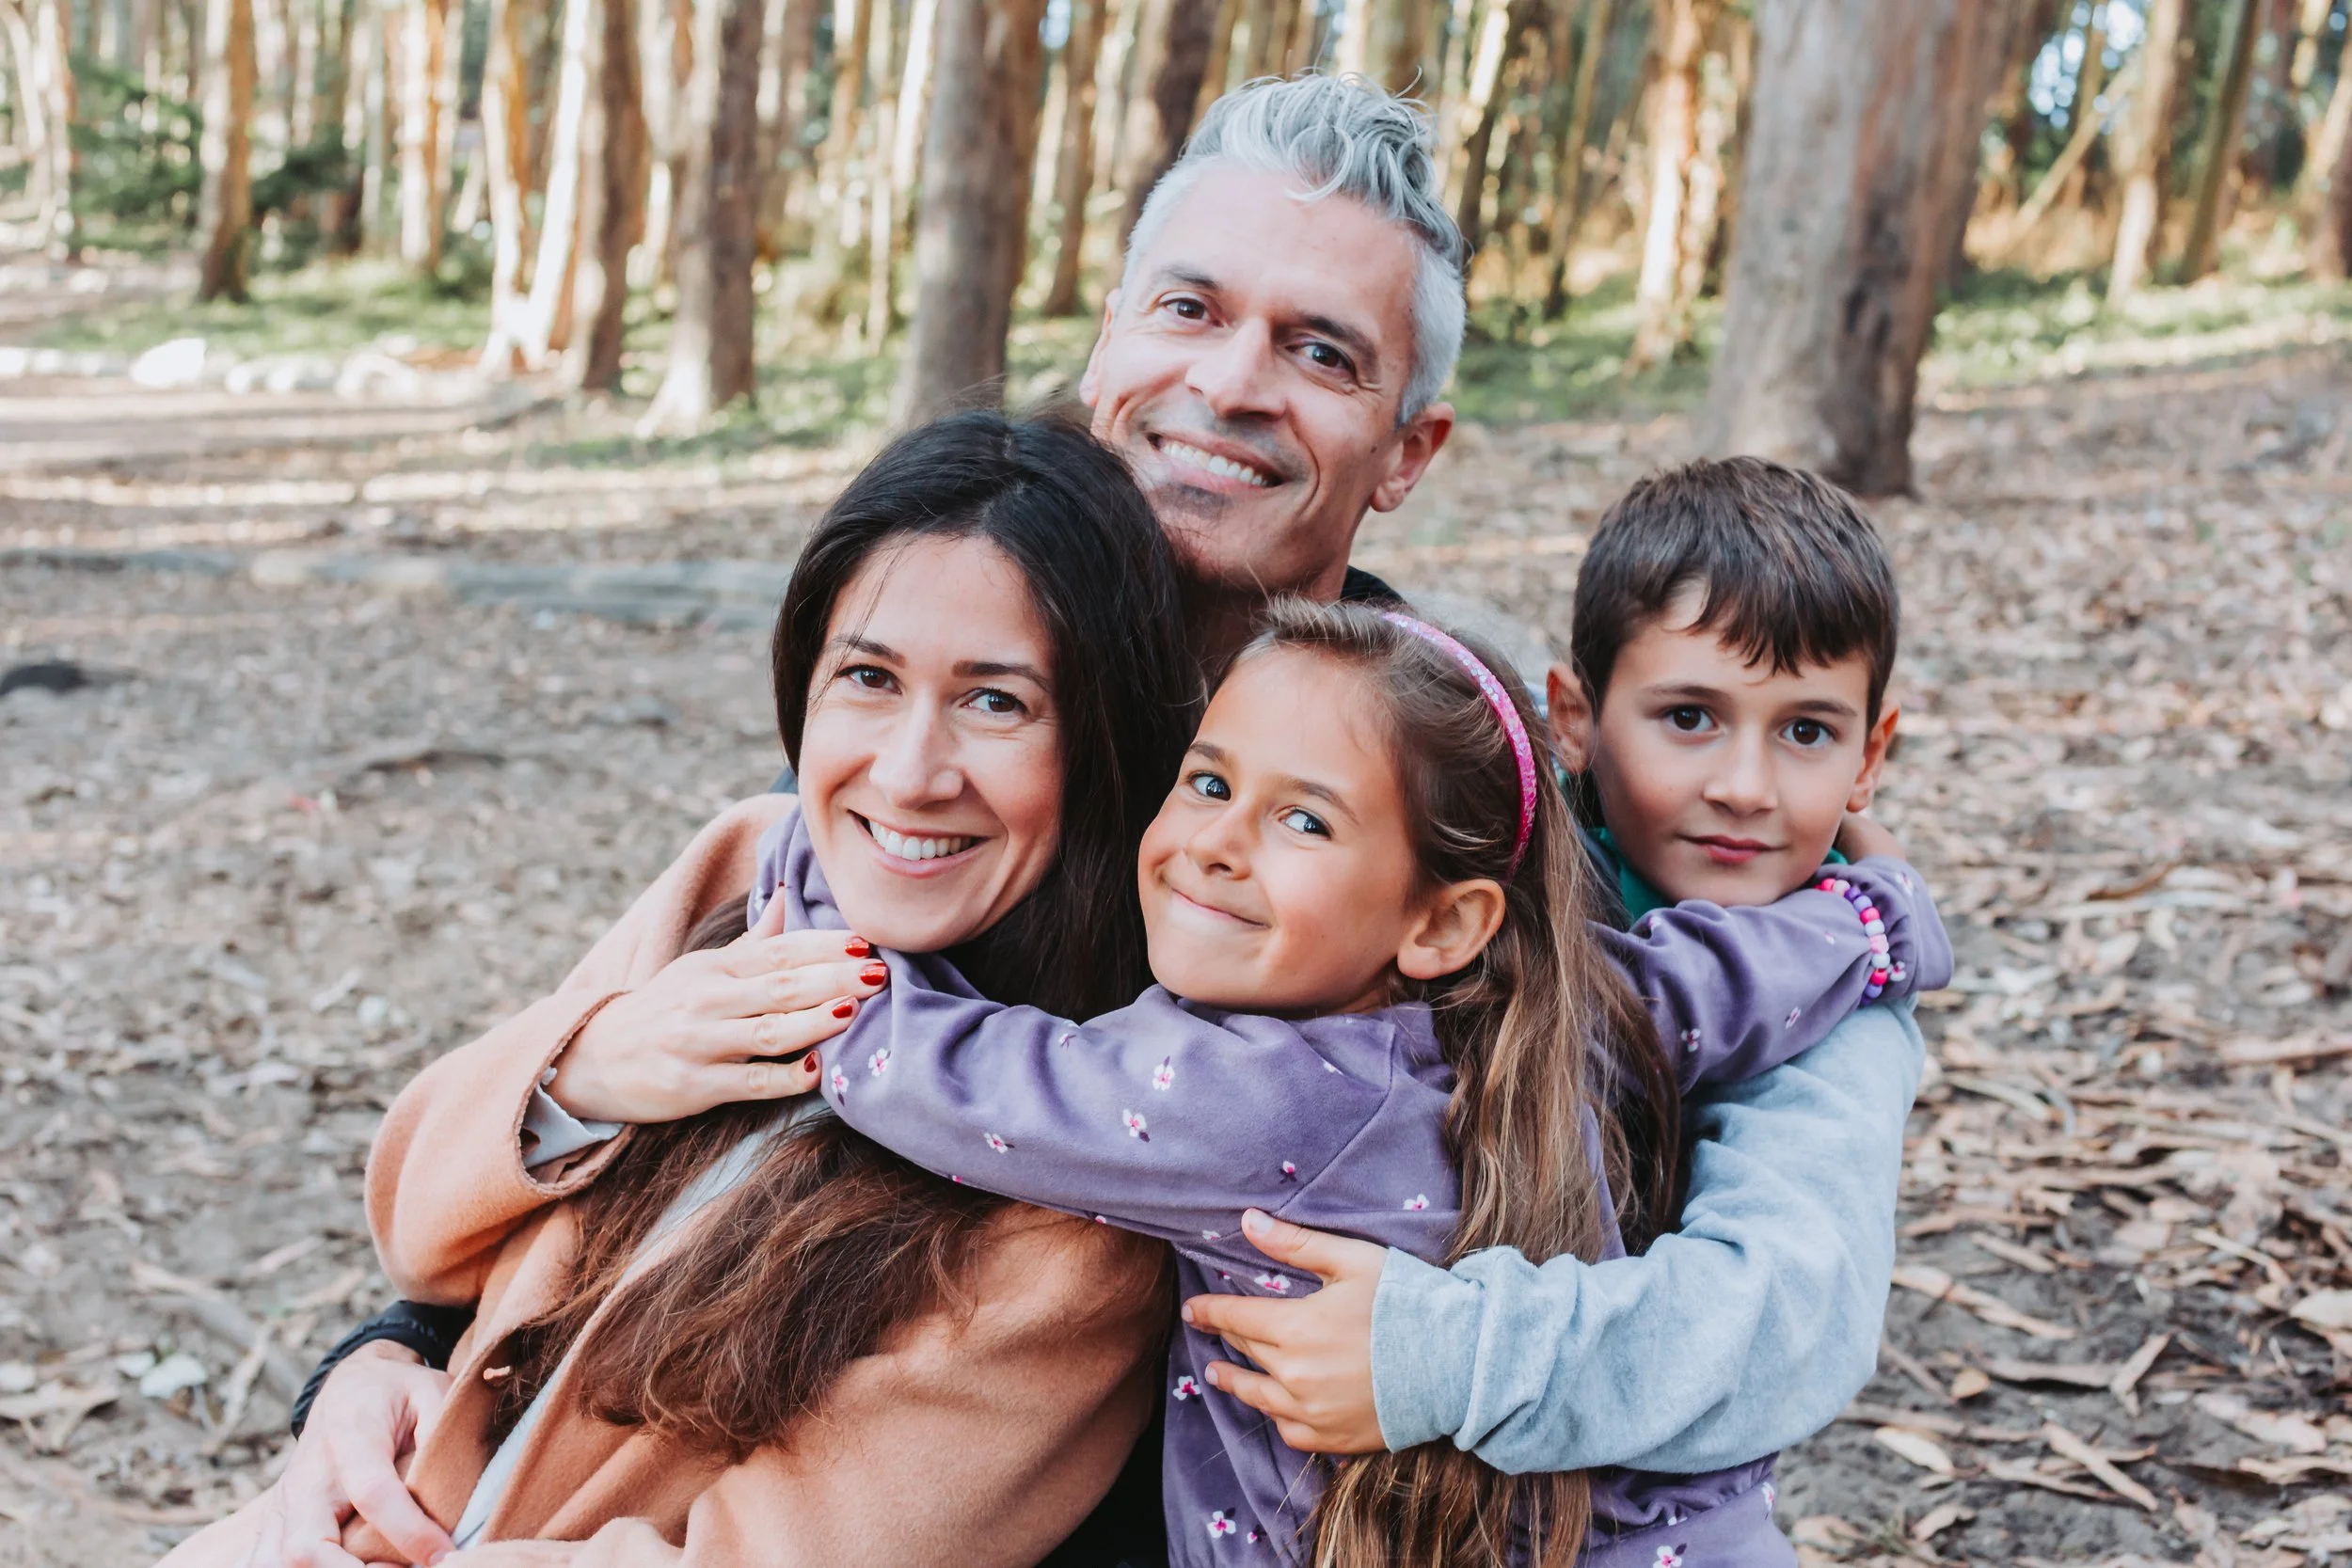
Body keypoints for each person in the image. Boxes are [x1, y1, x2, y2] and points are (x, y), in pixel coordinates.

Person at [288, 73, 1927, 1563]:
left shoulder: (1489, 855)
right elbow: (662, 1169)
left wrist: (1447, 1354)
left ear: (1408, 448)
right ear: (1108, 346)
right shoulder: (941, 767)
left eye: (1321, 350)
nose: (1229, 382)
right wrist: (390, 1359)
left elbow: (1788, 1314)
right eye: (1189, 308)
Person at [161, 411, 1199, 1568]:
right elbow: (418, 1233)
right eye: (866, 676)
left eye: (995, 700)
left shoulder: (1084, 1182)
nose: (909, 772)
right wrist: (586, 1068)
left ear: (1098, 735)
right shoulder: (747, 865)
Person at [739, 596, 1947, 1568]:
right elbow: (1715, 975)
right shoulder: (1558, 997)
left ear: (1440, 921)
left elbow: (926, 1072)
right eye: (1208, 783)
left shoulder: (1236, 1095)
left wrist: (810, 853)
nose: (1216, 839)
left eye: (1303, 823)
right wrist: (1874, 914)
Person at [1181, 460, 1948, 1558]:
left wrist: (1436, 1356)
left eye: (1806, 731)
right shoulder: (1516, 854)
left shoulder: (1838, 1012)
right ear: (1576, 718)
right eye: (1689, 715)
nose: (1744, 782)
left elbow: (1783, 1320)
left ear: (1870, 755)